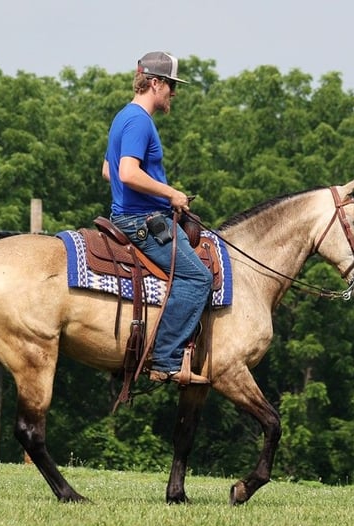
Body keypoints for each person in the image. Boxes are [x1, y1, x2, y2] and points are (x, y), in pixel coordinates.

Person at [102, 51, 212, 385]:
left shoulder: (123, 117)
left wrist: (154, 192)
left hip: (131, 213)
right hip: (139, 221)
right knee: (198, 279)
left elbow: (108, 172)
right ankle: (166, 359)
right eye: (171, 86)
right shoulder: (139, 121)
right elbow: (126, 172)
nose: (173, 93)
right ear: (154, 83)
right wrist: (171, 194)